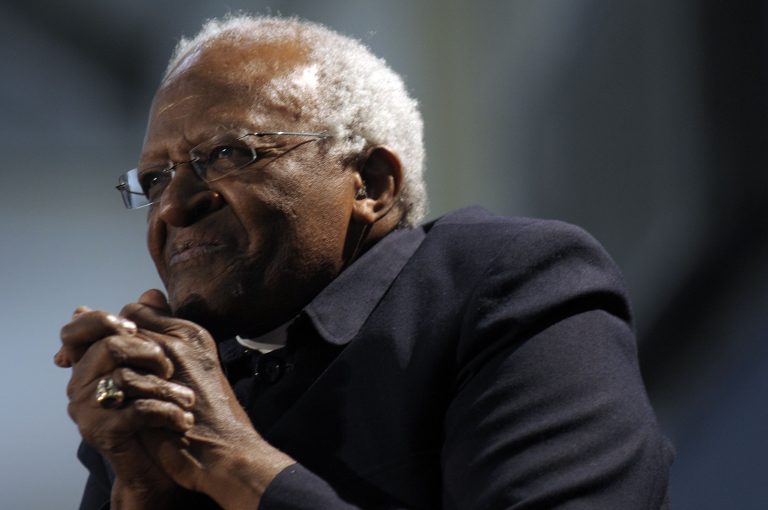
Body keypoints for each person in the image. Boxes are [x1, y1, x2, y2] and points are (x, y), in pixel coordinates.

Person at [56, 15, 674, 509]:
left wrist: (233, 462)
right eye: (155, 178)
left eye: (226, 154)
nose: (173, 207)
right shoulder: (163, 388)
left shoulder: (508, 283)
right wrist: (141, 492)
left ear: (371, 182)